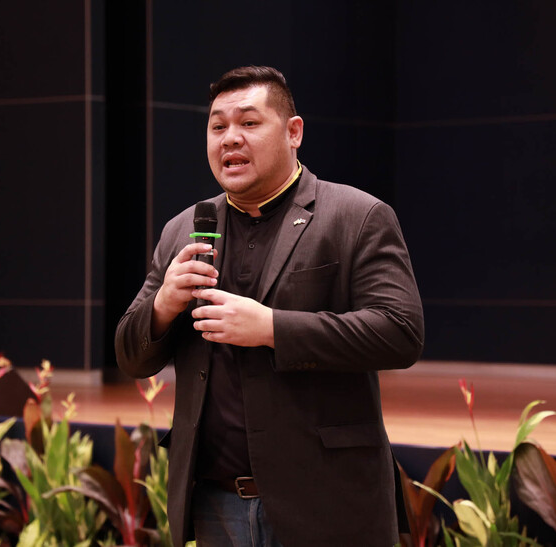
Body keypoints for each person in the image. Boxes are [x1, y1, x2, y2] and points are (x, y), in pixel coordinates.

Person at [115, 65, 424, 547]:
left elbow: (400, 332)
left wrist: (272, 328)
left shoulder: (356, 216)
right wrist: (164, 304)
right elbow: (130, 357)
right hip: (214, 504)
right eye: (218, 126)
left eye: (249, 122)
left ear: (293, 132)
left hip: (325, 501)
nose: (230, 138)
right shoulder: (183, 230)